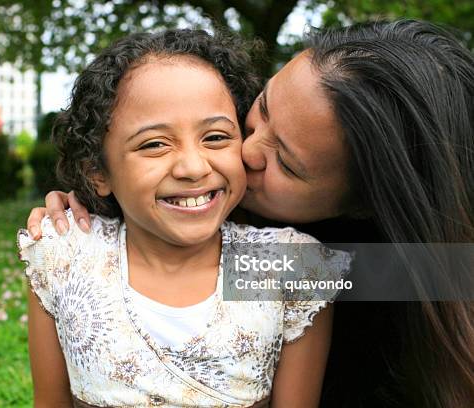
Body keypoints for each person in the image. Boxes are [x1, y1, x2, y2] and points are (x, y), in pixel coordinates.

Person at [28, 20, 474, 407]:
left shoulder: (344, 273)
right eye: (259, 112)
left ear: (363, 205)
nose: (246, 149)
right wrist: (91, 205)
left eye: (287, 163)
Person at [19, 29, 349, 408]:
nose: (193, 167)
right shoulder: (65, 255)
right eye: (154, 144)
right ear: (98, 172)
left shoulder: (286, 267)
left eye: (216, 137)